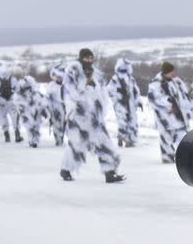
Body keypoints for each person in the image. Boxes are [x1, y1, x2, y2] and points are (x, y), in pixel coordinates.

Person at [60, 48, 124, 183]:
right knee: (77, 144)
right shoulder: (73, 72)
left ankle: (109, 172)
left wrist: (102, 107)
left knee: (104, 142)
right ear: (81, 58)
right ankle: (66, 169)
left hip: (95, 116)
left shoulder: (96, 74)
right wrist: (70, 108)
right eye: (86, 58)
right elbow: (67, 91)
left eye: (91, 58)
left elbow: (102, 91)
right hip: (79, 115)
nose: (89, 60)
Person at [147, 61, 192, 164]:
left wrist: (188, 108)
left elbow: (184, 96)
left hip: (179, 116)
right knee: (166, 137)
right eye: (170, 72)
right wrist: (169, 104)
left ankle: (184, 155)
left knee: (182, 135)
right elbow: (153, 99)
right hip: (165, 117)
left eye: (173, 71)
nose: (172, 73)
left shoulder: (177, 82)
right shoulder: (155, 84)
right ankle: (167, 157)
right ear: (164, 72)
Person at [106, 57, 141, 148]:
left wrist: (138, 101)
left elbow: (136, 91)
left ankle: (130, 139)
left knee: (132, 121)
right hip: (120, 104)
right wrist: (119, 95)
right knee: (122, 121)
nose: (124, 71)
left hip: (130, 104)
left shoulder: (131, 79)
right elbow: (109, 90)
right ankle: (123, 138)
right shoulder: (115, 79)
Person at [0, 66, 23, 143]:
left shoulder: (12, 79)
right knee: (5, 119)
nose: (4, 75)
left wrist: (17, 100)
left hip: (10, 101)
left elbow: (18, 90)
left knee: (13, 118)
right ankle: (8, 135)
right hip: (2, 101)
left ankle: (15, 135)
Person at [14, 75, 47, 148]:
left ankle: (35, 140)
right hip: (26, 113)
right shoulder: (19, 94)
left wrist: (44, 110)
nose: (27, 89)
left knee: (36, 127)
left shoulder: (36, 93)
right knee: (29, 127)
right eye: (26, 87)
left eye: (28, 87)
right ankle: (31, 140)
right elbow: (17, 102)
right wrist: (21, 108)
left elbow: (42, 102)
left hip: (37, 113)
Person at [45, 64, 66, 146]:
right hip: (55, 109)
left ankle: (62, 137)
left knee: (64, 124)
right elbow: (47, 97)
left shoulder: (67, 85)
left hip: (65, 108)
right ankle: (58, 139)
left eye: (60, 77)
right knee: (56, 125)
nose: (59, 78)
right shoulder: (51, 85)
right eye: (57, 77)